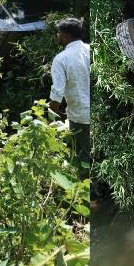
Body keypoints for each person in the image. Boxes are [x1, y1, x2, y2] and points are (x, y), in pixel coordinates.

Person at [49, 17, 90, 169]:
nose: (57, 36)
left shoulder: (61, 59)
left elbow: (57, 92)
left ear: (65, 36)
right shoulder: (91, 50)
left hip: (79, 117)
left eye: (58, 33)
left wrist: (49, 116)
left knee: (82, 159)